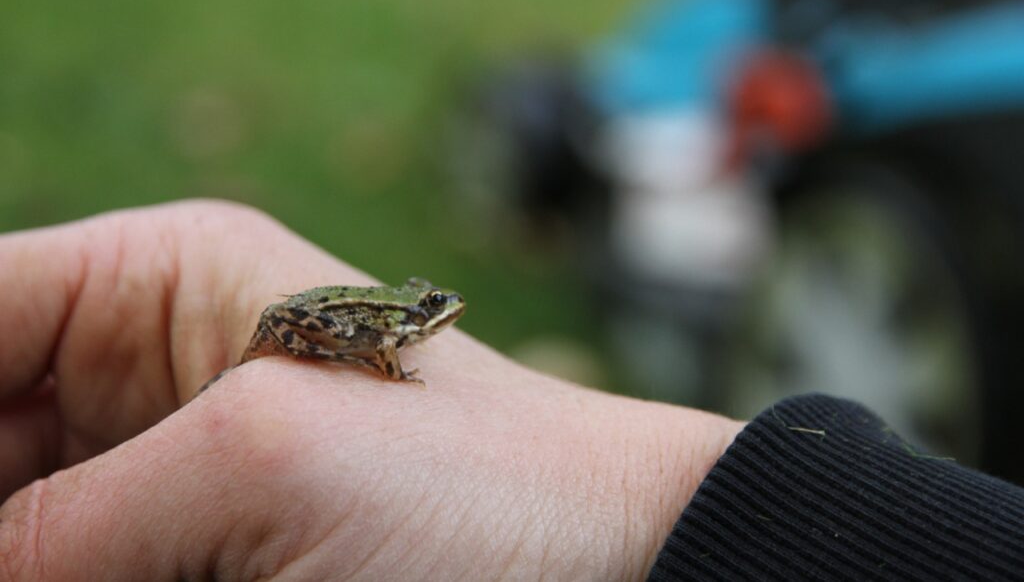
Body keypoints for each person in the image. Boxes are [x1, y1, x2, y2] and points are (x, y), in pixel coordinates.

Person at [0, 201, 1020, 580]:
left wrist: (649, 515)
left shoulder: (407, 328)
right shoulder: (394, 330)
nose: (445, 317)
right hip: (307, 327)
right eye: (435, 308)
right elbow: (349, 335)